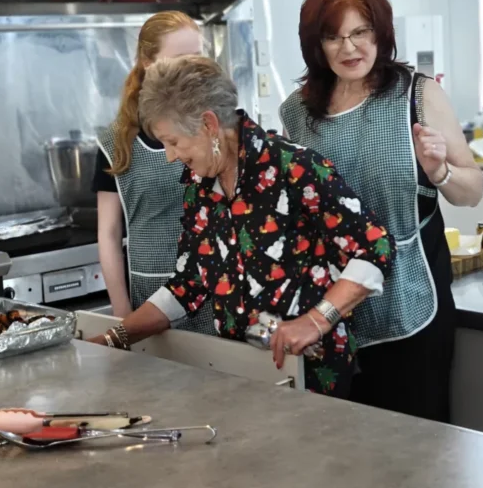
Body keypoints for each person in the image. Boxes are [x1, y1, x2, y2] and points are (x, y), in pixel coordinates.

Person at [90, 55, 395, 396]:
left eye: (173, 142)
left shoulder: (294, 167)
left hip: (311, 373)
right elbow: (189, 283)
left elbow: (375, 247)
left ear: (209, 124)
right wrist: (113, 338)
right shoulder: (200, 185)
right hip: (241, 369)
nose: (171, 156)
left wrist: (316, 319)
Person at [279, 0, 482, 422]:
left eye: (360, 32)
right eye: (333, 36)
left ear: (381, 33)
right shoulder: (297, 111)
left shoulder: (418, 95)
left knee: (417, 442)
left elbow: (472, 190)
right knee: (346, 443)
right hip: (332, 313)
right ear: (315, 44)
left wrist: (440, 172)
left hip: (413, 303)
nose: (349, 47)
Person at [95, 12, 204, 320]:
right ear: (147, 63)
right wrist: (122, 313)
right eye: (179, 59)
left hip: (214, 291)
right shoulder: (116, 143)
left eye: (197, 57)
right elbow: (109, 234)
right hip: (150, 294)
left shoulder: (214, 128)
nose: (191, 69)